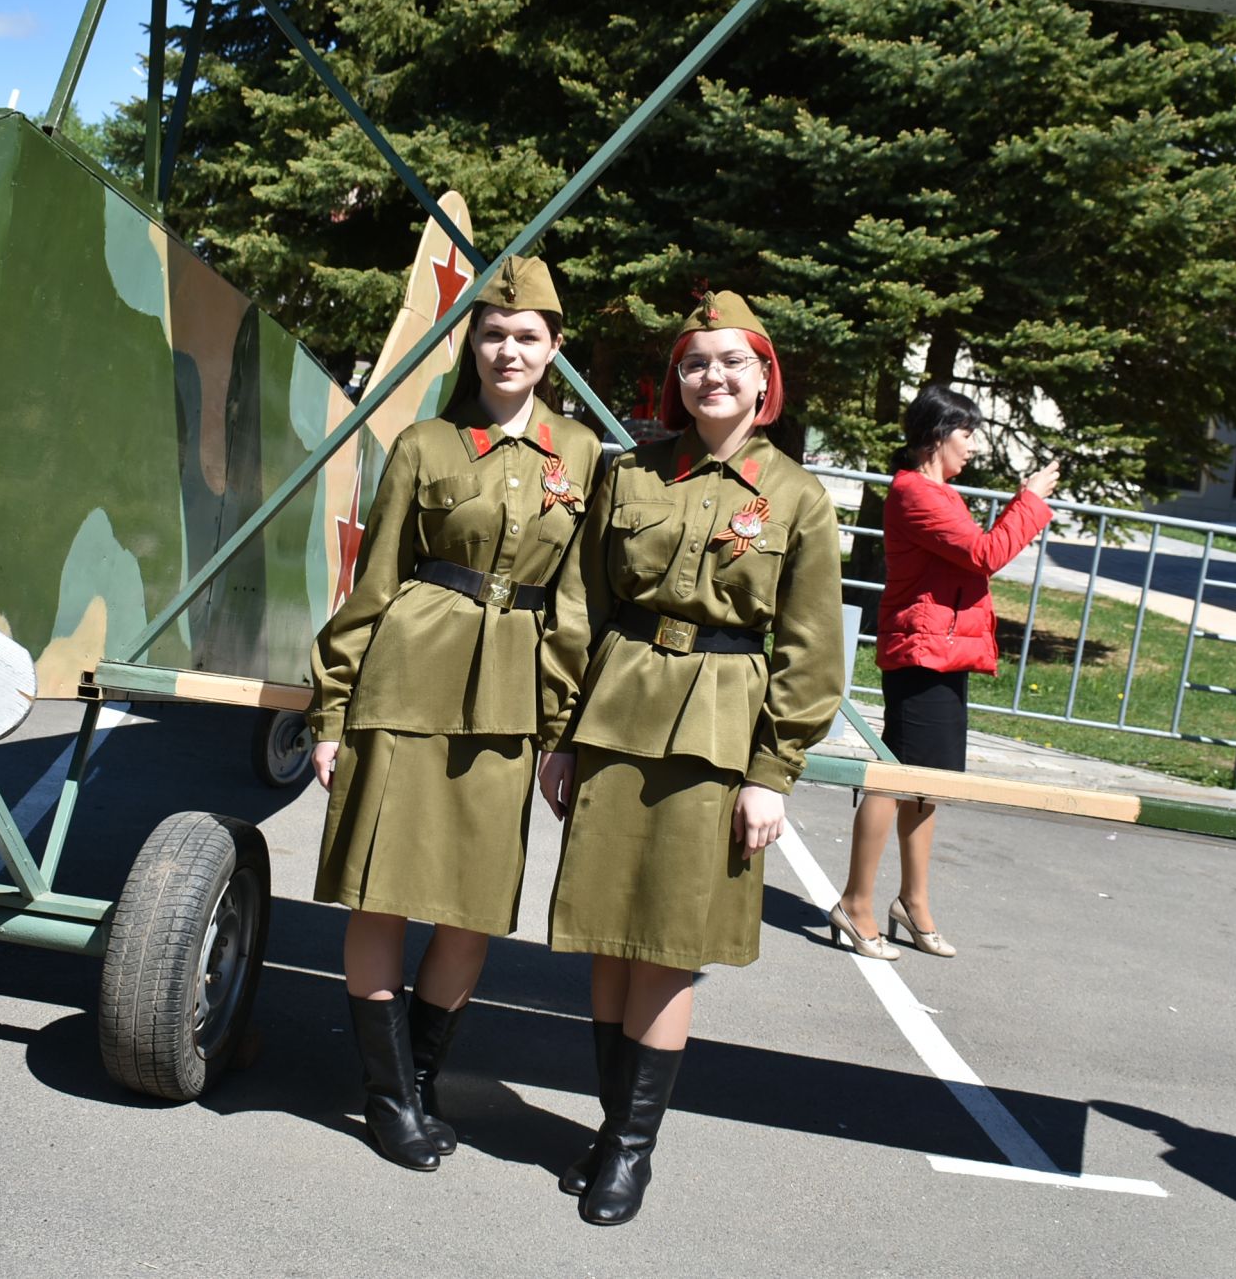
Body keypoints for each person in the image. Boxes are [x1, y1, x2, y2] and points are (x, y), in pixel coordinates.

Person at [538, 291, 843, 1225]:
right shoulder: (632, 474)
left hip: (717, 729)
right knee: (601, 932)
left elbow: (810, 650)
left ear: (764, 379)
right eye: (696, 362)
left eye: (731, 361)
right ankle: (606, 1122)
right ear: (679, 380)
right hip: (616, 710)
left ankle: (631, 1150)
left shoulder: (797, 497)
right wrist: (557, 731)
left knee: (668, 946)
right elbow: (582, 606)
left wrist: (772, 773)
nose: (712, 376)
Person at [306, 256, 602, 1171]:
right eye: (492, 332)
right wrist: (331, 711)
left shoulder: (584, 457)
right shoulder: (427, 446)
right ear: (471, 342)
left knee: (474, 906)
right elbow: (375, 582)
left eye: (527, 336)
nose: (507, 348)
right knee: (382, 891)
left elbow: (579, 606)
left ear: (553, 350)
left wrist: (558, 730)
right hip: (407, 680)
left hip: (510, 699)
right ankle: (389, 1096)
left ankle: (422, 1078)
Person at [831, 383, 1059, 960]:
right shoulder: (915, 494)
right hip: (920, 654)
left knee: (929, 784)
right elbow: (985, 554)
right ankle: (856, 904)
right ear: (936, 435)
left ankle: (913, 902)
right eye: (968, 433)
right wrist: (1030, 500)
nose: (975, 445)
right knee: (895, 775)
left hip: (944, 651)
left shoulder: (941, 492)